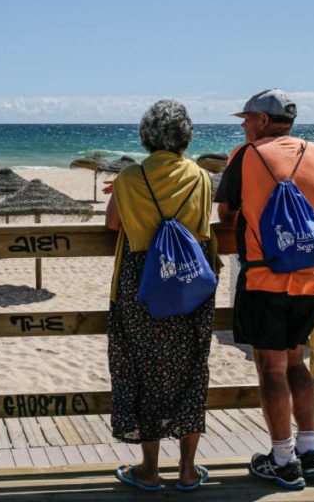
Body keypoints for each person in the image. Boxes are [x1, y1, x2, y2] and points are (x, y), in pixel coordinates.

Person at [215, 89, 314, 490]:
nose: (244, 125)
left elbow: (227, 212)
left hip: (265, 279)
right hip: (312, 278)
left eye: (247, 118)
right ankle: (310, 452)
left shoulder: (246, 156)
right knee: (297, 362)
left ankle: (283, 460)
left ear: (264, 121)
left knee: (271, 369)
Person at [105, 99, 220, 492]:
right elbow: (204, 227)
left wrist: (122, 191)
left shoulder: (129, 177)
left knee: (140, 371)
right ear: (186, 137)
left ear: (146, 136)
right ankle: (188, 470)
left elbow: (112, 223)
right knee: (191, 371)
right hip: (190, 283)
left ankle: (149, 470)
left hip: (141, 282)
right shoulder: (202, 177)